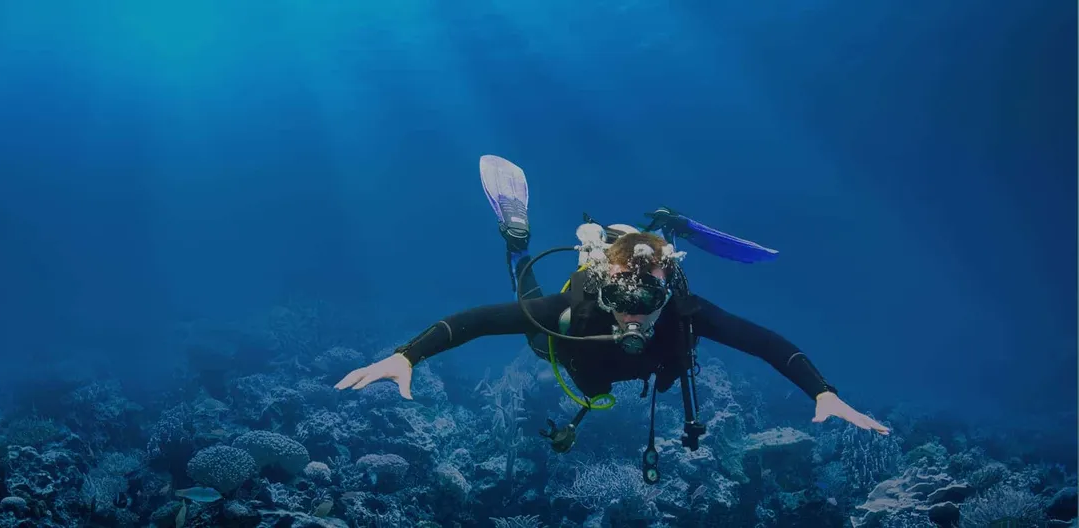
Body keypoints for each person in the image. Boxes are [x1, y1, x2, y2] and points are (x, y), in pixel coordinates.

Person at [334, 155, 890, 484]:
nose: (634, 321)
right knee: (525, 295)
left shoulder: (681, 313)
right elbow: (477, 320)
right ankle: (516, 241)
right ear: (602, 289)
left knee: (649, 262)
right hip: (578, 342)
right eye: (624, 306)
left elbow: (765, 342)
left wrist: (823, 392)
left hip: (631, 310)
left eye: (646, 309)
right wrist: (407, 355)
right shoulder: (574, 308)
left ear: (663, 299)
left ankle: (662, 233)